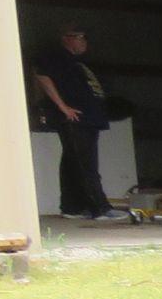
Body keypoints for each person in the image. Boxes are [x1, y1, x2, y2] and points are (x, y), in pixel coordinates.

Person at [31, 22, 126, 221]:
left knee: (72, 161)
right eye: (79, 37)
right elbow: (42, 76)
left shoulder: (78, 62)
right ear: (66, 38)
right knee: (86, 163)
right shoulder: (56, 57)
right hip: (74, 117)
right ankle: (99, 208)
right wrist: (62, 106)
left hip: (88, 117)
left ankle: (71, 206)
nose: (83, 42)